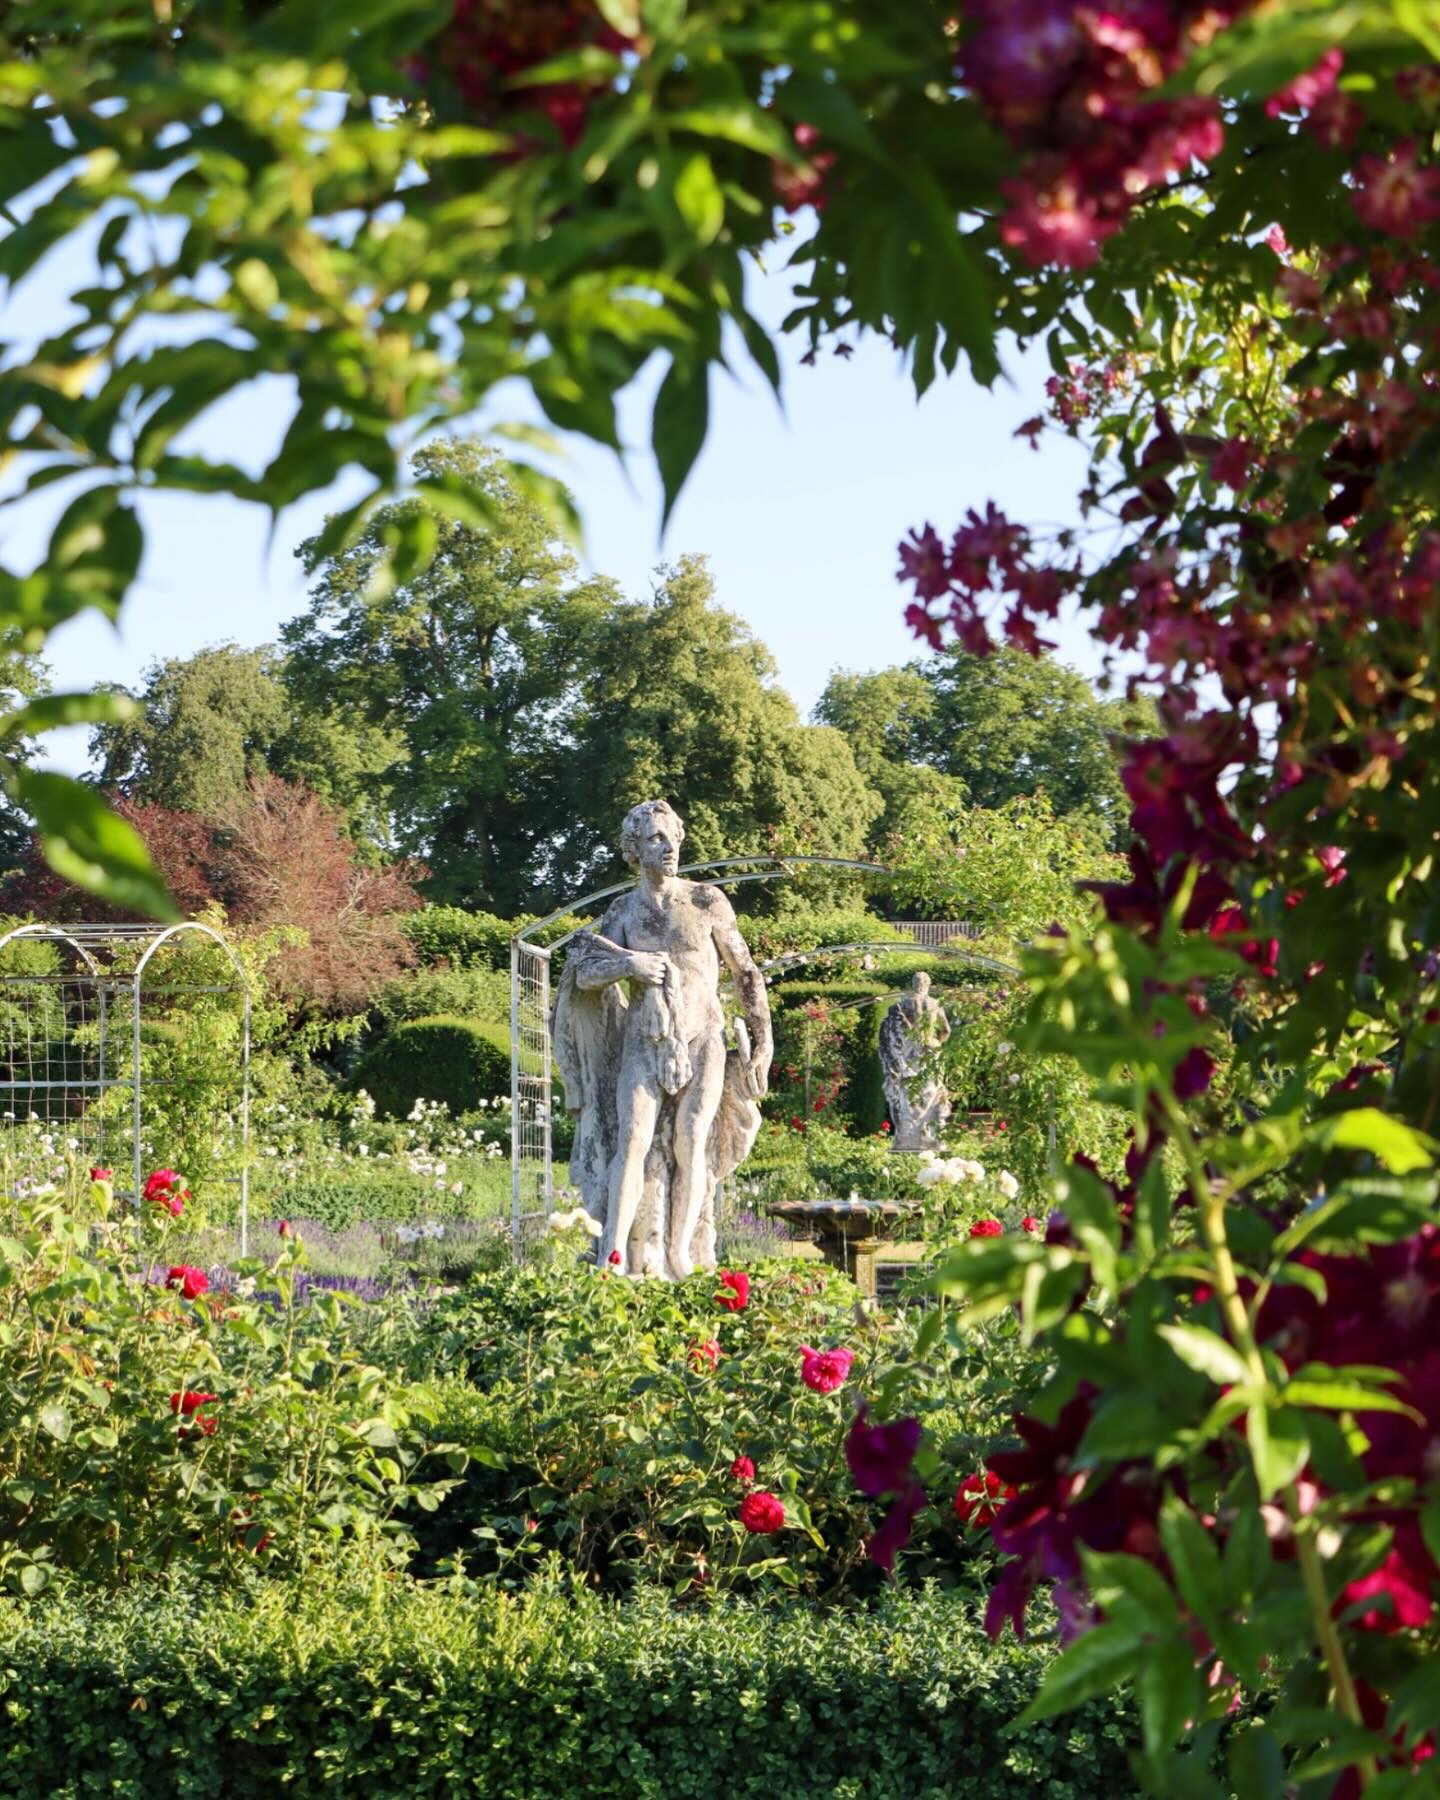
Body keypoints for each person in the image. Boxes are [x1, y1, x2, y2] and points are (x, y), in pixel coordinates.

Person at [568, 799, 772, 1277]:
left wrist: (763, 1040)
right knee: (633, 1140)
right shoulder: (623, 911)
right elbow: (585, 973)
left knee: (691, 1139)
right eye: (656, 839)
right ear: (635, 849)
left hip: (703, 1037)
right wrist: (629, 964)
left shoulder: (706, 901)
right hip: (645, 1039)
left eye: (673, 837)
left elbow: (745, 972)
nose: (669, 847)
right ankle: (613, 1253)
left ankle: (681, 1252)